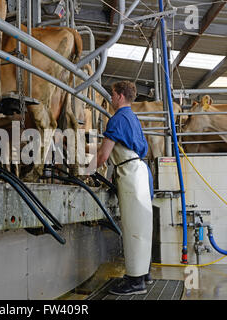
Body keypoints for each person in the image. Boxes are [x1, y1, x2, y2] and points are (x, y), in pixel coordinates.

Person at [87, 81, 154, 295]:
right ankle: (143, 274)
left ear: (120, 96)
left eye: (113, 94)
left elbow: (103, 156)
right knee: (142, 226)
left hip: (130, 176)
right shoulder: (133, 118)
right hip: (140, 173)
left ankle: (135, 282)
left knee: (133, 227)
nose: (111, 99)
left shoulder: (116, 119)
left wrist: (85, 170)